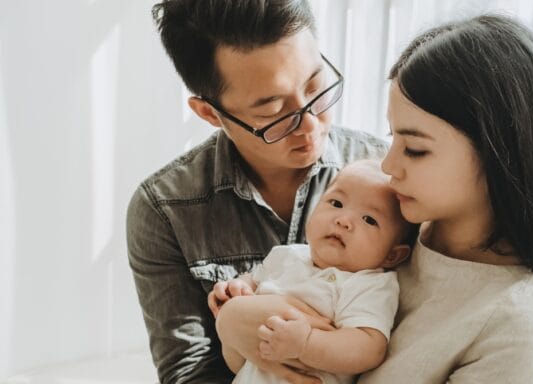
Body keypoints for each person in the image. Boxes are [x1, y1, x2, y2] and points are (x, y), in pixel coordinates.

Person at [126, 1, 388, 383]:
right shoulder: (166, 209)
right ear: (210, 114)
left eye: (316, 86)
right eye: (274, 113)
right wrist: (231, 329)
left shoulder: (386, 172)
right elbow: (189, 372)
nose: (310, 124)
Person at [355, 14, 533, 383]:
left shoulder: (525, 323)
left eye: (416, 149)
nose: (389, 165)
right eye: (391, 137)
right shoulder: (384, 227)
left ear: (498, 152)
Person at [208, 160, 418, 384]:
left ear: (392, 256)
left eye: (369, 219)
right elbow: (252, 281)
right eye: (336, 203)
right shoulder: (286, 255)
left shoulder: (369, 284)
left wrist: (308, 343)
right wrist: (237, 288)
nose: (343, 220)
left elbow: (369, 347)